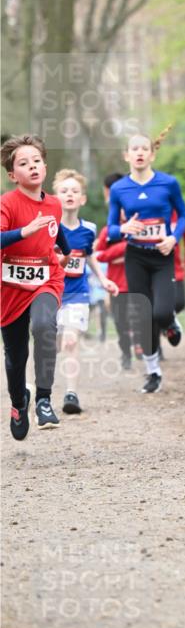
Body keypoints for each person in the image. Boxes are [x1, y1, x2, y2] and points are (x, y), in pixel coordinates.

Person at [107, 129, 185, 394]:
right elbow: (109, 228)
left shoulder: (168, 183)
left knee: (161, 312)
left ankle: (170, 322)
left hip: (162, 255)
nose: (140, 153)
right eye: (135, 149)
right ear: (127, 156)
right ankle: (153, 371)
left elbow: (184, 216)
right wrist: (123, 229)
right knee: (144, 317)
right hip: (136, 256)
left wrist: (173, 238)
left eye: (145, 149)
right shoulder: (119, 189)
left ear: (152, 154)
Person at [1, 135, 70, 437]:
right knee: (16, 356)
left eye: (37, 161)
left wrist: (67, 251)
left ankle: (43, 398)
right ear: (12, 174)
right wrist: (22, 232)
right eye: (23, 163)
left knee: (44, 326)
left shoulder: (53, 203)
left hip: (46, 279)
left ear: (44, 165)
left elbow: (56, 228)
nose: (32, 166)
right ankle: (19, 402)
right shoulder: (6, 203)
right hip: (10, 288)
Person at [52, 169, 118, 415]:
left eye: (74, 191)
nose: (69, 194)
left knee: (71, 340)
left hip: (78, 294)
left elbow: (89, 257)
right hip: (51, 293)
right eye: (64, 191)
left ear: (83, 199)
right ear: (55, 197)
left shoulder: (88, 229)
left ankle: (71, 393)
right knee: (55, 345)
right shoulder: (48, 229)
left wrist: (103, 280)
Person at [95, 173, 133, 370]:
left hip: (140, 282)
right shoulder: (109, 231)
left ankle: (152, 350)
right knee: (121, 324)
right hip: (118, 285)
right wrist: (123, 250)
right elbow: (98, 254)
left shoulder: (142, 227)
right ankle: (126, 354)